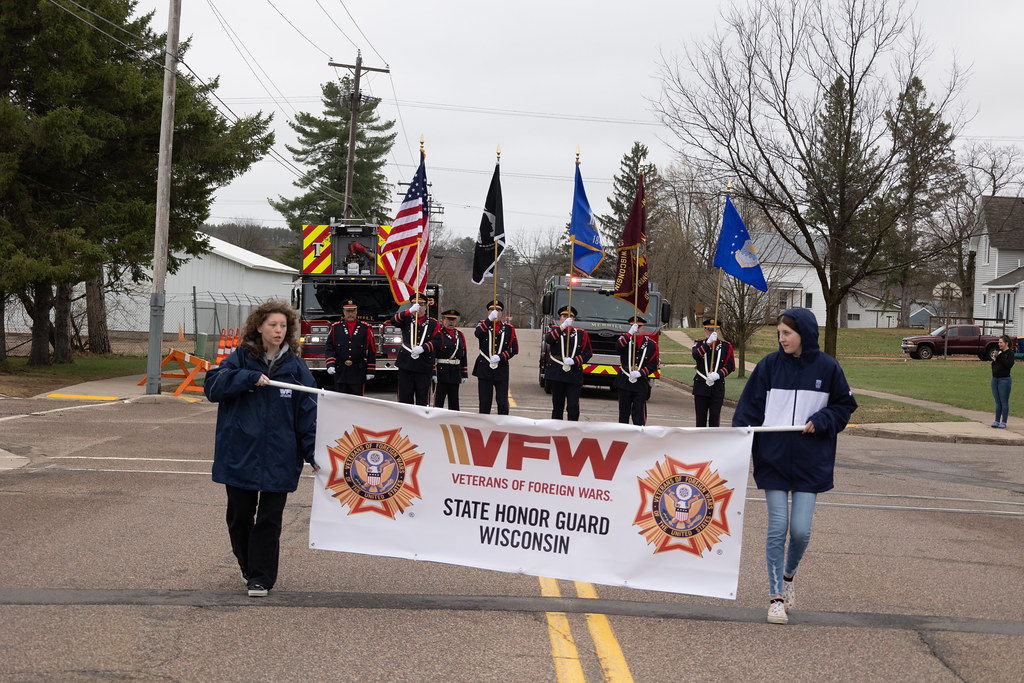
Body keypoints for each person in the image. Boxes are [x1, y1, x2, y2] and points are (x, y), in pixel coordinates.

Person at [731, 308, 857, 625]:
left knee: (800, 531)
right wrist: (737, 441)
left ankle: (788, 576)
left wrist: (823, 419)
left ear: (804, 333)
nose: (781, 338)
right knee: (777, 527)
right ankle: (775, 597)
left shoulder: (828, 368)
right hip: (772, 460)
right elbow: (747, 411)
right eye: (779, 333)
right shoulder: (768, 367)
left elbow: (844, 406)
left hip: (810, 463)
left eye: (787, 333)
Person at [203, 300, 319, 598]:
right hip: (240, 454)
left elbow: (309, 414)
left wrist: (313, 453)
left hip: (280, 457)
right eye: (272, 325)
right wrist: (247, 378)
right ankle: (247, 564)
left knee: (269, 520)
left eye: (283, 326)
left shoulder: (296, 368)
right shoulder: (240, 358)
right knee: (239, 516)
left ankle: (261, 578)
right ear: (259, 327)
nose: (278, 330)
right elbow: (213, 387)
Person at [543, 305, 593, 421]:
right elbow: (548, 339)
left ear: (573, 319)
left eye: (570, 317)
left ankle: (572, 428)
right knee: (558, 406)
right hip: (557, 372)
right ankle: (557, 428)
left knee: (573, 406)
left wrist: (575, 360)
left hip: (573, 374)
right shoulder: (554, 330)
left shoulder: (581, 333)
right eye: (564, 316)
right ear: (560, 318)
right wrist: (562, 327)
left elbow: (588, 353)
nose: (566, 318)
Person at [391, 293, 440, 406]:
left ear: (426, 307)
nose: (418, 307)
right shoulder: (406, 319)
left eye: (421, 304)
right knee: (404, 399)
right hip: (406, 364)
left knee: (422, 400)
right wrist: (408, 311)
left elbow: (438, 341)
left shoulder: (433, 323)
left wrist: (424, 348)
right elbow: (393, 321)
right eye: (414, 304)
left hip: (423, 365)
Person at [472, 299, 519, 415]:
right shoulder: (482, 324)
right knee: (484, 402)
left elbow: (514, 349)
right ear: (488, 312)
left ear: (501, 313)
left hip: (501, 368)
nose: (495, 312)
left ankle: (503, 423)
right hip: (484, 367)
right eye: (492, 310)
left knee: (502, 402)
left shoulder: (508, 329)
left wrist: (501, 357)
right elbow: (478, 334)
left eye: (498, 310)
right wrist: (489, 320)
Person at [324, 299, 377, 395]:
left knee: (357, 401)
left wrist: (371, 370)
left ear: (356, 311)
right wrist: (330, 364)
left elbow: (371, 350)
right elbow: (329, 348)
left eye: (353, 311)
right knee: (340, 399)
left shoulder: (365, 328)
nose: (350, 314)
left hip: (358, 371)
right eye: (348, 311)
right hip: (340, 370)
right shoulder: (336, 328)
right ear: (343, 312)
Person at [613, 315, 659, 425]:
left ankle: (639, 433)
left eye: (639, 327)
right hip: (625, 381)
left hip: (640, 383)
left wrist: (641, 373)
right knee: (623, 414)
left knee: (639, 414)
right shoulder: (625, 339)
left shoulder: (651, 345)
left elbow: (654, 364)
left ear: (643, 328)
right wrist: (629, 333)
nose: (637, 329)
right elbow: (618, 347)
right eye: (634, 327)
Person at [691, 318, 736, 427]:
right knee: (700, 419)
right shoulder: (699, 343)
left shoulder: (726, 346)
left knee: (715, 420)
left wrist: (718, 374)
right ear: (705, 330)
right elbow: (696, 355)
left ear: (719, 331)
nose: (711, 332)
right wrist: (708, 344)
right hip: (701, 386)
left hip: (717, 387)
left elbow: (730, 366)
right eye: (709, 330)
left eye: (714, 330)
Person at [434, 308, 468, 410]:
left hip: (455, 372)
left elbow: (463, 354)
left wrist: (464, 373)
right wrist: (433, 372)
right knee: (439, 401)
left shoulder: (460, 335)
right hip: (442, 372)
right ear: (443, 320)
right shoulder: (439, 334)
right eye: (448, 319)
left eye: (453, 320)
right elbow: (433, 354)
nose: (451, 322)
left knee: (454, 402)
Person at [990, 334, 1015, 428]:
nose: (999, 344)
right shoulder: (999, 353)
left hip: (1004, 380)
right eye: (999, 342)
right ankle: (996, 421)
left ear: (1006, 343)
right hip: (995, 379)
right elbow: (994, 366)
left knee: (1004, 401)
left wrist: (1000, 356)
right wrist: (995, 358)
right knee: (997, 402)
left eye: (1001, 342)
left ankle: (1003, 422)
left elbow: (1008, 365)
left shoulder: (1010, 353)